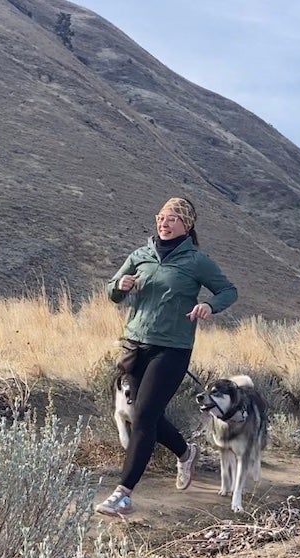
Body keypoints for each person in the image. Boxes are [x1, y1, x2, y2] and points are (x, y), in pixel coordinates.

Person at [94, 197, 237, 516]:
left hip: (172, 348)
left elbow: (228, 291)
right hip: (135, 345)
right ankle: (186, 452)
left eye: (172, 218)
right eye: (161, 217)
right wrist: (120, 285)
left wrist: (209, 306)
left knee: (144, 416)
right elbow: (112, 291)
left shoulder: (197, 261)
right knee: (142, 414)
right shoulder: (140, 255)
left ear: (186, 224)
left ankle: (123, 494)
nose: (164, 223)